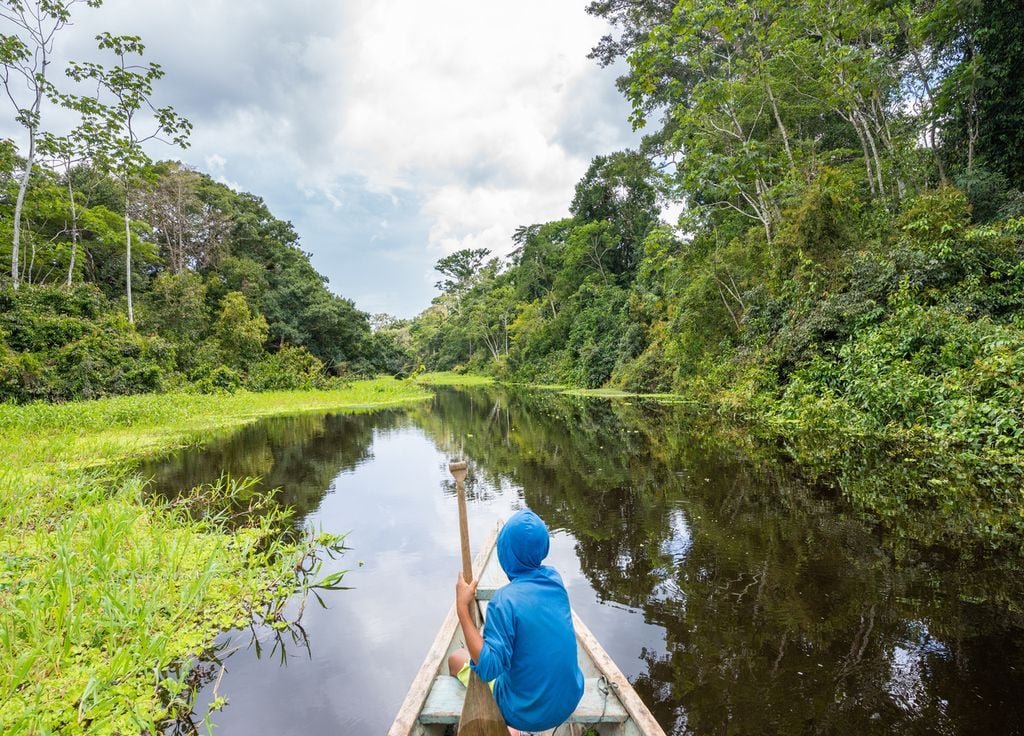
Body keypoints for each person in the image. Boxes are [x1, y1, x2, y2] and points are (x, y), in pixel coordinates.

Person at [449, 509, 584, 735]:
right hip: (569, 700)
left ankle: (512, 728)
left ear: (504, 554)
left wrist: (462, 608)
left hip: (522, 715)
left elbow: (489, 669)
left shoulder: (504, 601)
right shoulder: (555, 580)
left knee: (455, 659)